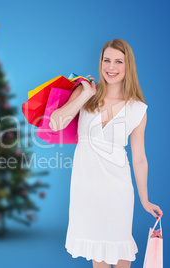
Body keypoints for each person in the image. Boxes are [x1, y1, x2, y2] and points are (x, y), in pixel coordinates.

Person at [49, 39, 163, 268]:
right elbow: (55, 124)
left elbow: (139, 159)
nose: (111, 67)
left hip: (117, 191)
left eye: (118, 61)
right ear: (100, 63)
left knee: (120, 252)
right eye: (107, 60)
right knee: (97, 253)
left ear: (127, 66)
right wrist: (85, 94)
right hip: (86, 189)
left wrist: (145, 199)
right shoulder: (85, 92)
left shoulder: (138, 109)